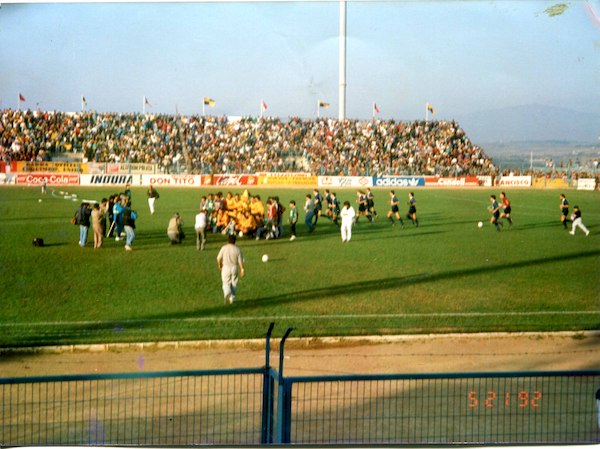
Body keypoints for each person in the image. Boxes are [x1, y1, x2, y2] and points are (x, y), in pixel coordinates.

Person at [216, 234, 245, 304]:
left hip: (225, 267)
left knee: (226, 282)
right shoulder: (238, 249)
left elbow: (218, 258)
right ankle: (233, 298)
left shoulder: (224, 248)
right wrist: (242, 270)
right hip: (234, 267)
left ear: (228, 240)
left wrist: (219, 265)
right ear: (235, 241)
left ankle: (227, 293)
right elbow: (240, 261)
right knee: (234, 282)